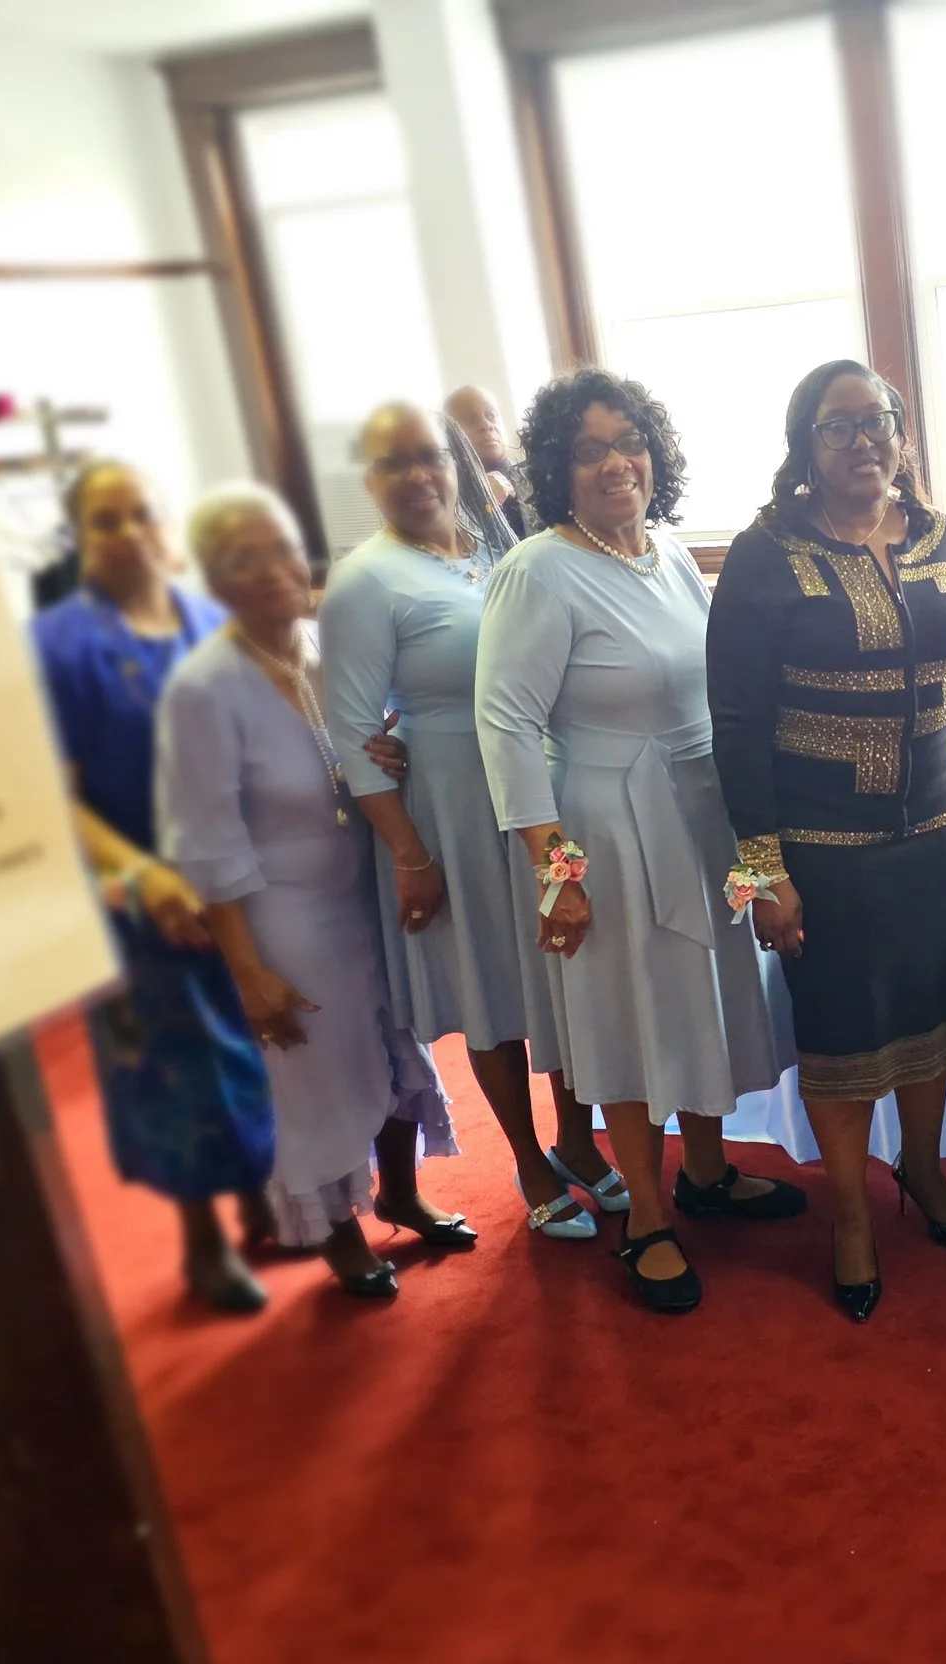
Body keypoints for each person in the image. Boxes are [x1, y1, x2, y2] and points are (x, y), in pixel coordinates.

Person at [708, 360, 946, 1323]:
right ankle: (849, 1216)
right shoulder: (765, 554)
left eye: (877, 421)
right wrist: (761, 871)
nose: (862, 442)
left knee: (930, 1024)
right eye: (838, 427)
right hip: (820, 849)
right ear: (805, 444)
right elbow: (733, 722)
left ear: (901, 432)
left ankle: (921, 1173)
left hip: (937, 833)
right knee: (843, 1038)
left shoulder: (941, 535)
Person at [479, 370, 800, 1314]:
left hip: (698, 808)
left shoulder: (666, 553)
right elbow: (505, 725)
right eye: (589, 449)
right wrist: (555, 875)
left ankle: (707, 1172)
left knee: (698, 995)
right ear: (555, 468)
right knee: (628, 1010)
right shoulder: (538, 568)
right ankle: (649, 1217)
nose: (617, 463)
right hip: (609, 825)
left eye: (630, 442)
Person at [159, 487, 470, 1299]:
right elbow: (206, 842)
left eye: (280, 549)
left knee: (396, 1046)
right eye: (242, 559)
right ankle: (338, 1230)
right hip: (282, 913)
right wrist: (248, 972)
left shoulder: (321, 644)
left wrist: (393, 751)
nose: (270, 571)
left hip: (362, 888)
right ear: (212, 580)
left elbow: (368, 746)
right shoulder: (203, 688)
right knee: (316, 1079)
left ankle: (400, 1192)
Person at [318, 401, 614, 1242]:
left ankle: (579, 1143)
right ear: (369, 482)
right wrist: (409, 855)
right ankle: (526, 1159)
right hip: (447, 808)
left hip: (536, 789)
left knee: (561, 971)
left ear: (455, 466)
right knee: (490, 986)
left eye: (429, 458)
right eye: (394, 463)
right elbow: (351, 731)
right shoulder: (365, 581)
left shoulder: (498, 555)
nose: (417, 476)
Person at [34, 461, 277, 1314]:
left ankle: (258, 1196)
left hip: (230, 876)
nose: (130, 533)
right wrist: (143, 875)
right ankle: (201, 1239)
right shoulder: (56, 644)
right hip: (139, 893)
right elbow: (54, 796)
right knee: (174, 1067)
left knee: (248, 1044)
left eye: (143, 513)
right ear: (81, 537)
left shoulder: (208, 619)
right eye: (108, 520)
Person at [446, 384, 530, 540]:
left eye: (491, 415)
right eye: (471, 421)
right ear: (449, 437)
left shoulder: (534, 478)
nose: (486, 425)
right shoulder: (447, 497)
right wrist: (487, 503)